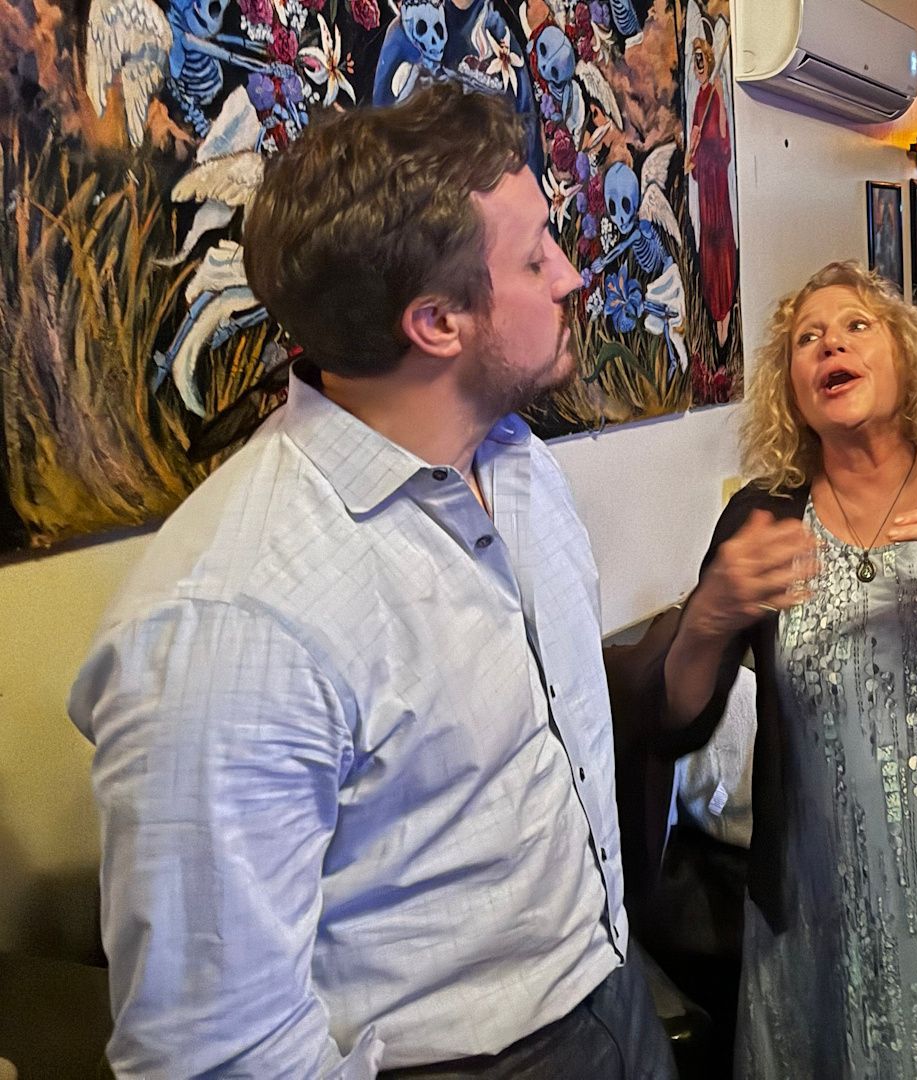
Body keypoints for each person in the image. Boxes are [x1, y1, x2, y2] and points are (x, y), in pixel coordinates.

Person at [66, 84, 673, 1077]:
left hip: (606, 982)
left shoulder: (515, 462)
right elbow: (218, 1051)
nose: (570, 274)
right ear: (437, 322)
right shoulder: (236, 623)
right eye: (532, 259)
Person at [613, 261, 917, 1077]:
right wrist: (706, 618)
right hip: (823, 903)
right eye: (807, 340)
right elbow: (680, 721)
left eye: (854, 327)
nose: (828, 346)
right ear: (793, 390)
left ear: (907, 358)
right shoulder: (762, 514)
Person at [686, 34, 738, 346]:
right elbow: (694, 133)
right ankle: (716, 314)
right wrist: (690, 156)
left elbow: (721, 137)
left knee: (721, 241)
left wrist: (720, 100)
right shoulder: (697, 101)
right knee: (708, 243)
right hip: (704, 181)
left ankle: (726, 315)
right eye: (696, 62)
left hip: (717, 179)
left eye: (702, 60)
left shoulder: (714, 96)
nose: (700, 66)